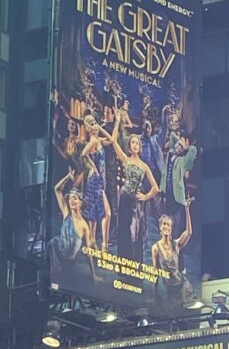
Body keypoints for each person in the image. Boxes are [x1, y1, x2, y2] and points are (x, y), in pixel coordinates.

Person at [108, 110, 160, 263]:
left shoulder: (144, 166)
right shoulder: (125, 159)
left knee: (135, 234)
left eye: (137, 143)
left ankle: (135, 265)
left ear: (140, 146)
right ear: (130, 146)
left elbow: (155, 188)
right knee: (124, 230)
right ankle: (123, 265)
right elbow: (113, 141)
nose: (135, 145)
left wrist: (145, 196)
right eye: (133, 143)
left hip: (136, 203)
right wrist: (118, 121)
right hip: (124, 198)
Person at [48, 173, 94, 279]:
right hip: (56, 252)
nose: (72, 200)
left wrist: (94, 276)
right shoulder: (66, 213)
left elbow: (88, 252)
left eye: (75, 198)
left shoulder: (84, 226)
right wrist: (68, 177)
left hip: (69, 262)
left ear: (81, 202)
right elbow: (57, 189)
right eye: (70, 198)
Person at [151, 199, 195, 307]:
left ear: (171, 229)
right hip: (170, 289)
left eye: (168, 225)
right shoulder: (156, 248)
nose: (166, 227)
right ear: (160, 227)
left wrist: (187, 209)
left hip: (184, 286)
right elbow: (155, 273)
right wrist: (154, 295)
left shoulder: (176, 245)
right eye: (164, 224)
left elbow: (189, 232)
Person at [81, 112, 112, 251]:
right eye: (92, 124)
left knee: (94, 214)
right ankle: (103, 244)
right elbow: (83, 153)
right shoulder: (93, 141)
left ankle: (94, 241)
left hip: (100, 179)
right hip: (95, 179)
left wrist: (101, 128)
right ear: (88, 128)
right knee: (105, 213)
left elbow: (111, 140)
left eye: (95, 123)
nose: (95, 126)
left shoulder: (98, 140)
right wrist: (93, 166)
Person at [160, 131, 197, 239]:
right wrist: (179, 141)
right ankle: (166, 240)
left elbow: (193, 150)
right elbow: (171, 135)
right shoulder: (170, 154)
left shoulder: (183, 160)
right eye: (178, 144)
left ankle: (174, 243)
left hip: (177, 195)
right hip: (168, 194)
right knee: (167, 219)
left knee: (175, 222)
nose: (178, 145)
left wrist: (185, 147)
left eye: (181, 145)